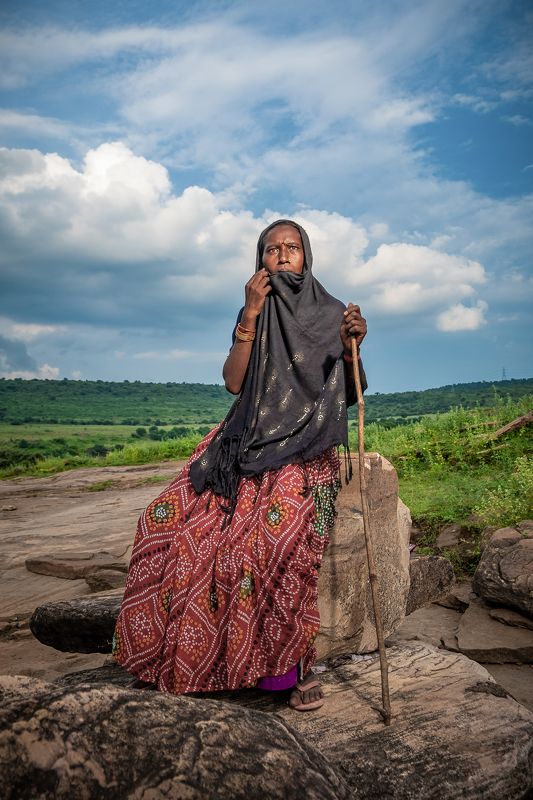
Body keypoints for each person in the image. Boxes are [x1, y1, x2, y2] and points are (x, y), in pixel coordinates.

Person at [112, 219, 367, 711]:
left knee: (272, 548)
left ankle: (290, 670)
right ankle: (196, 661)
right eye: (272, 250)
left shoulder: (335, 313)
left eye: (292, 248)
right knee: (165, 527)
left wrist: (355, 345)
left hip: (303, 447)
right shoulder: (257, 309)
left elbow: (352, 393)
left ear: (306, 256)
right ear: (260, 261)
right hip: (243, 441)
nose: (282, 256)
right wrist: (250, 312)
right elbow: (233, 382)